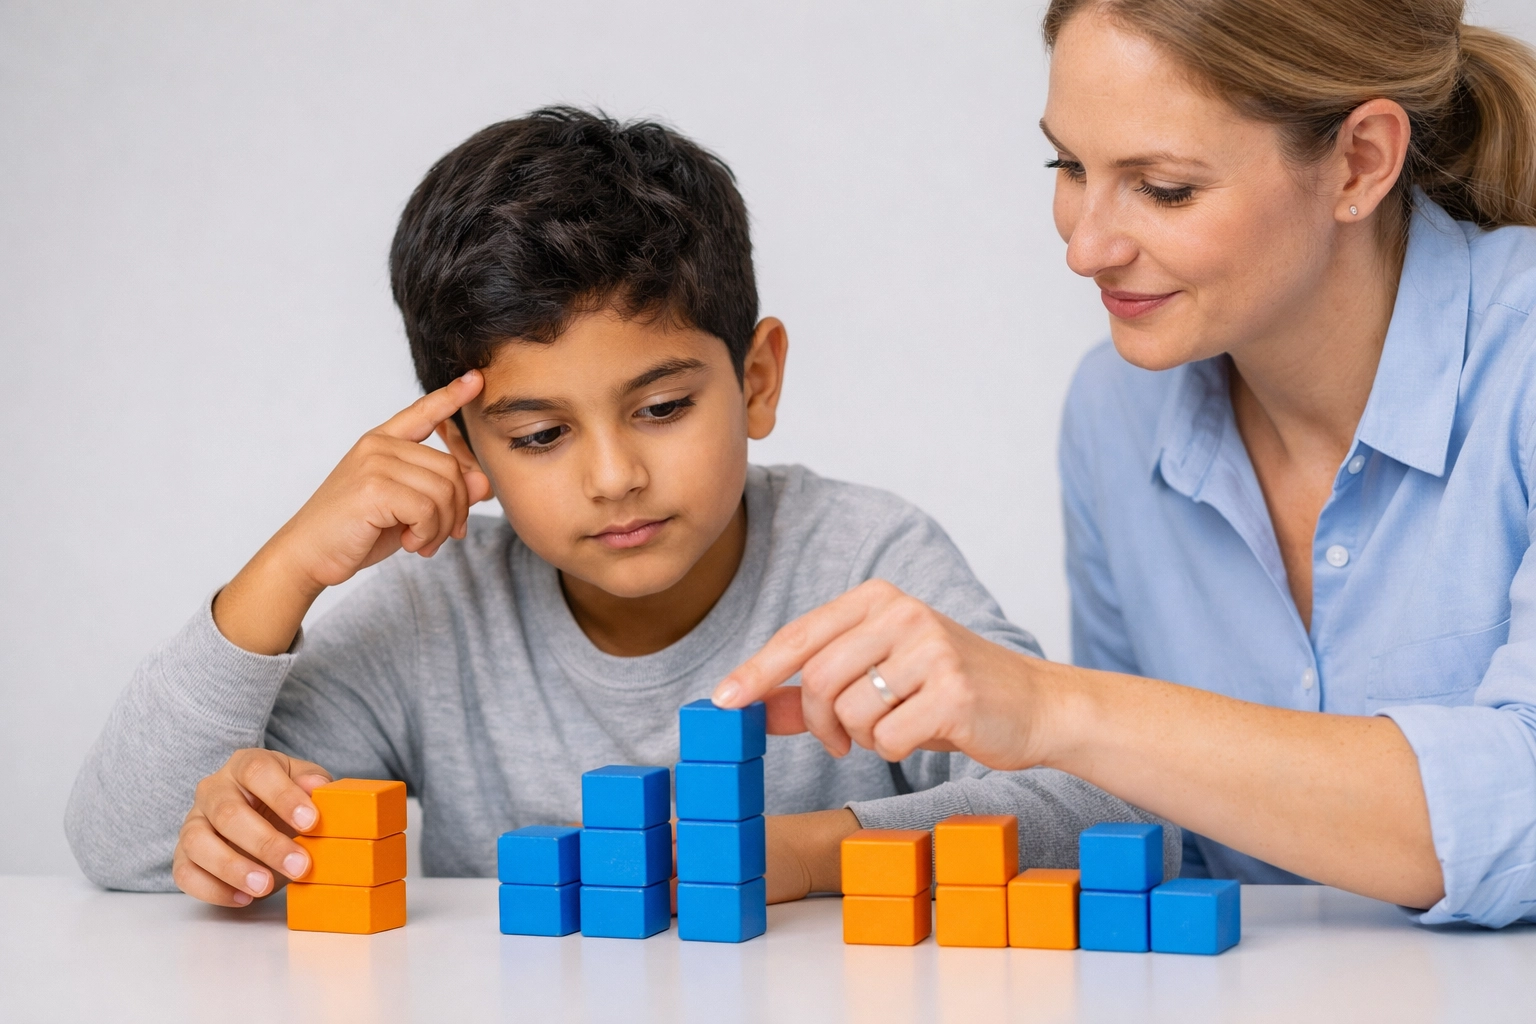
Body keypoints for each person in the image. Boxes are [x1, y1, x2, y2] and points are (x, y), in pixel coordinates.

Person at [65, 108, 1174, 907]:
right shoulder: (430, 614)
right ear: (462, 446)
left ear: (756, 380)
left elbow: (1113, 816)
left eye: (662, 408)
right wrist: (284, 573)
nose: (612, 477)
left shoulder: (864, 561)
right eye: (540, 435)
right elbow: (127, 847)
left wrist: (801, 854)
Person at [714, 0, 1536, 927]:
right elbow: (1148, 835)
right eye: (1068, 166)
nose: (1084, 248)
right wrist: (812, 849)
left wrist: (1053, 709)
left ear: (1361, 161)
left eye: (1165, 188)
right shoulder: (1115, 414)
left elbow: (1522, 805)